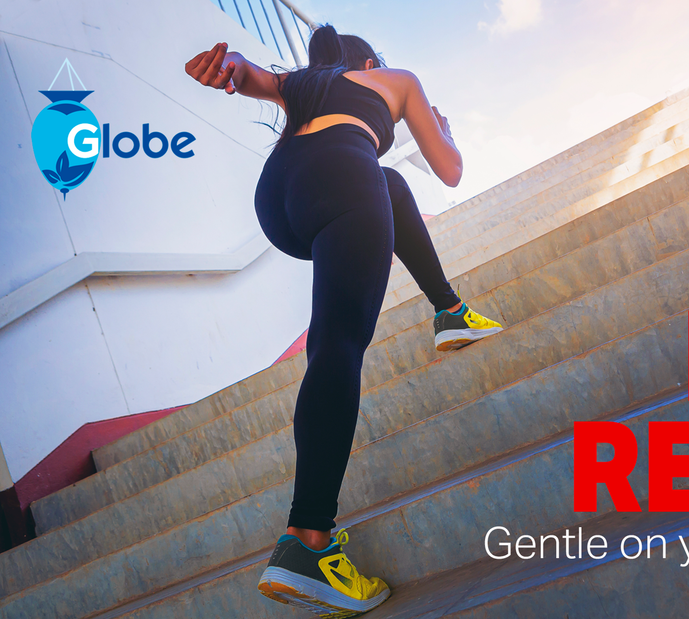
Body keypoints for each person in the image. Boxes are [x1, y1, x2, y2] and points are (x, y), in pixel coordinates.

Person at [185, 26, 503, 616]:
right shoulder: (397, 81)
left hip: (280, 196)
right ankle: (308, 540)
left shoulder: (306, 83)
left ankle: (450, 312)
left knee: (391, 184)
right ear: (368, 61)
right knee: (338, 343)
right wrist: (447, 131)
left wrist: (225, 65)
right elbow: (452, 172)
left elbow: (249, 74)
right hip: (340, 176)